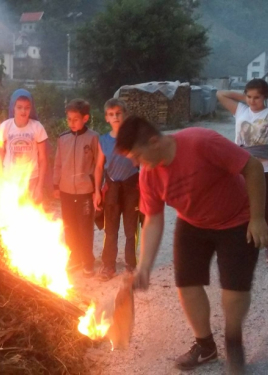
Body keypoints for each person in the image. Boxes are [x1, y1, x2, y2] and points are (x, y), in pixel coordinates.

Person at [116, 115, 268, 373]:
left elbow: (252, 167)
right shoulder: (148, 175)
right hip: (192, 224)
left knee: (233, 293)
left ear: (154, 141)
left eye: (137, 156)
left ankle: (233, 341)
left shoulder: (201, 142)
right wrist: (144, 266)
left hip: (237, 219)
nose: (135, 163)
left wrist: (257, 218)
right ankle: (205, 345)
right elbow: (153, 219)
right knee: (186, 285)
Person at [217, 79, 268, 262]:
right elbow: (220, 94)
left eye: (257, 97)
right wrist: (244, 99)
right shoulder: (241, 111)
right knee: (242, 208)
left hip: (265, 170)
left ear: (265, 97)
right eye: (249, 97)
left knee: (265, 209)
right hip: (243, 169)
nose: (253, 101)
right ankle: (245, 245)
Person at [53, 99, 103, 277]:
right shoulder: (63, 138)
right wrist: (56, 184)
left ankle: (87, 260)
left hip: (85, 191)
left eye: (75, 119)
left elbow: (98, 165)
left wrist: (98, 189)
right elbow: (58, 163)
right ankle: (74, 257)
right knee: (70, 226)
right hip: (66, 190)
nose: (71, 123)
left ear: (85, 118)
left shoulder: (94, 138)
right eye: (69, 119)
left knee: (84, 227)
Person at [97, 99, 140, 281]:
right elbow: (99, 166)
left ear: (125, 116)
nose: (115, 117)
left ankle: (131, 265)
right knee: (110, 229)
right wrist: (96, 191)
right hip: (112, 187)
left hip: (131, 187)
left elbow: (142, 163)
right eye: (111, 114)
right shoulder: (103, 140)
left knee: (131, 230)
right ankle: (108, 266)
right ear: (106, 118)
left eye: (118, 114)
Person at [0, 89, 48, 203]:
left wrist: (39, 187)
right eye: (19, 107)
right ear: (13, 108)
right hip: (9, 178)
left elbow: (43, 159)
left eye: (27, 107)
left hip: (31, 180)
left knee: (28, 215)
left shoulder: (37, 127)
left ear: (31, 109)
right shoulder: (4, 127)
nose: (23, 111)